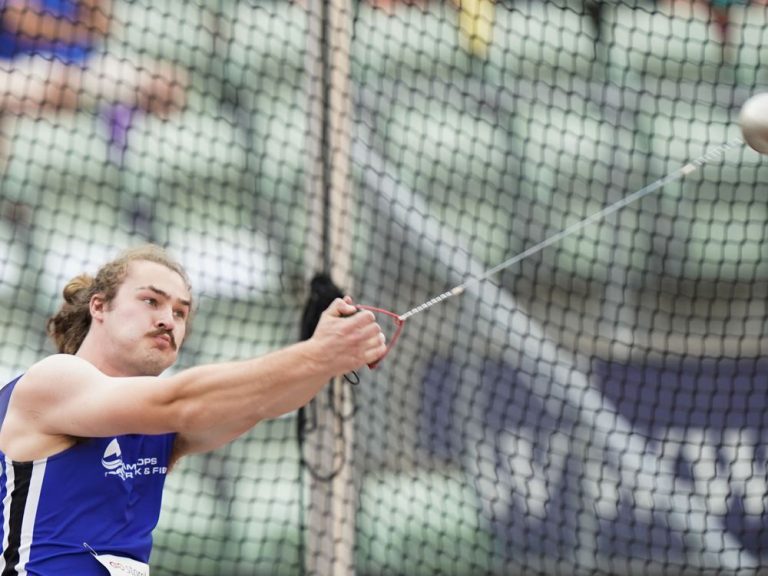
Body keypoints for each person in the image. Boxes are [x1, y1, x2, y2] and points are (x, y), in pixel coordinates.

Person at [0, 244, 386, 574]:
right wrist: (317, 353)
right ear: (99, 307)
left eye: (181, 312)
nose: (168, 319)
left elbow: (259, 403)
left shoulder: (155, 427)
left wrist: (329, 360)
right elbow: (183, 401)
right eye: (151, 301)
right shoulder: (54, 380)